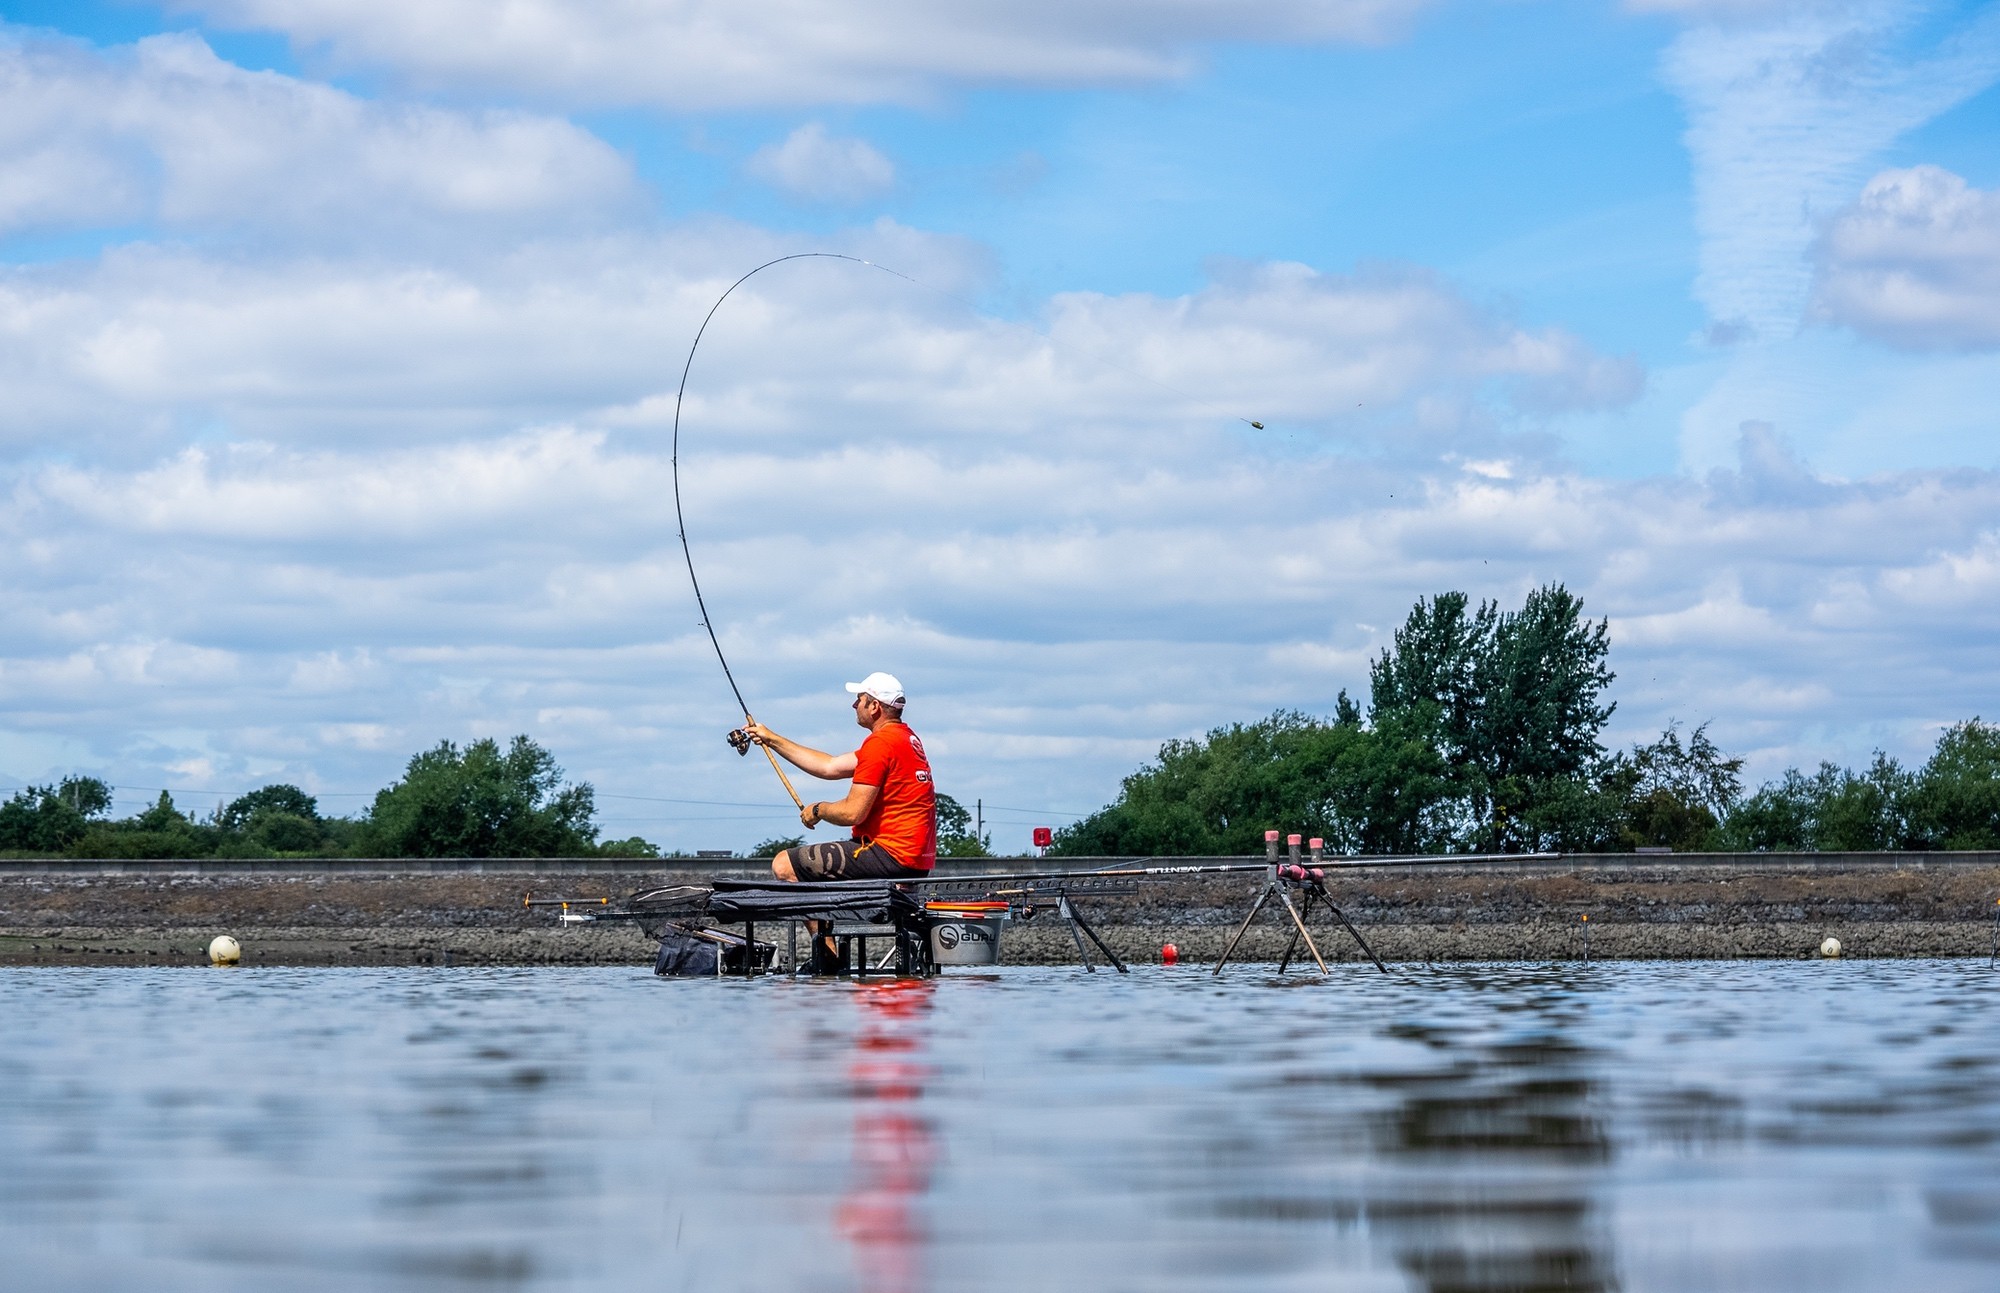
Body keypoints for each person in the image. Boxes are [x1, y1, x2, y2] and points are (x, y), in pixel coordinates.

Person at [745, 671, 938, 883]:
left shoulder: (880, 744)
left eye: (859, 699)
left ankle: (826, 908)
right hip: (913, 859)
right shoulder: (903, 739)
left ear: (874, 707)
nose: (854, 705)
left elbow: (852, 813)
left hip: (890, 854)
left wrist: (818, 810)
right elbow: (830, 766)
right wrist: (771, 739)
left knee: (784, 865)